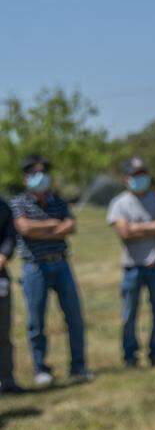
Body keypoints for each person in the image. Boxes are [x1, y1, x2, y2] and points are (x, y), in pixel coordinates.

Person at [10, 155, 91, 387]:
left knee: (74, 316)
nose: (41, 176)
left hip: (61, 263)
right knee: (36, 321)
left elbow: (71, 225)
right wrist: (55, 226)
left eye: (44, 171)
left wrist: (43, 229)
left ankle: (78, 366)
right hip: (35, 266)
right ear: (26, 177)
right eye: (36, 173)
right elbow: (24, 228)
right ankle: (40, 368)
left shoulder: (58, 200)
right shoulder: (19, 202)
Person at [107, 157, 155, 367]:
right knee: (129, 315)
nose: (140, 178)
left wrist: (138, 228)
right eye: (135, 175)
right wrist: (154, 227)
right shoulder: (119, 203)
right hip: (133, 267)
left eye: (142, 174)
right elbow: (124, 232)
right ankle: (130, 356)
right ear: (127, 178)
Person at [0, 195, 26, 394]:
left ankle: (6, 380)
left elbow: (10, 236)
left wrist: (3, 257)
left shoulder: (2, 206)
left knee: (3, 332)